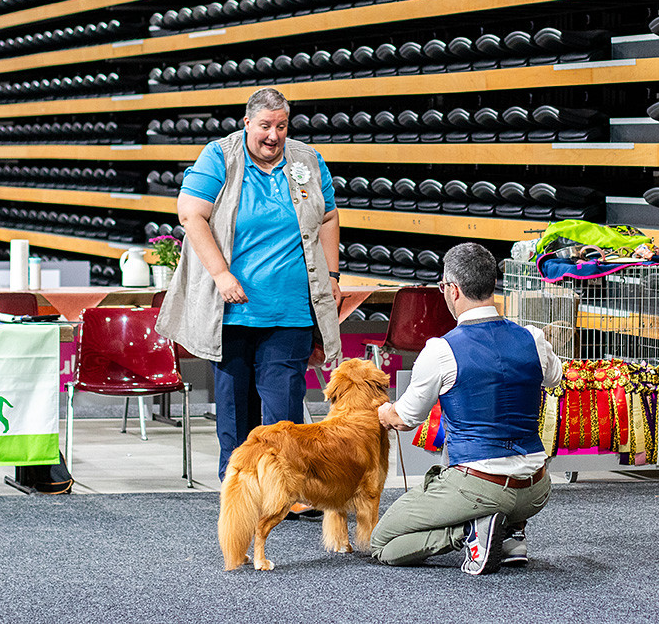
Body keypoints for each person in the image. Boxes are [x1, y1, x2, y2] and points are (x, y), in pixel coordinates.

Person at [155, 87, 342, 502]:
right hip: (232, 311)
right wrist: (221, 274)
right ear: (247, 123)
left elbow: (328, 216)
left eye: (282, 126)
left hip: (291, 310)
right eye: (265, 126)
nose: (273, 135)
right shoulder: (219, 156)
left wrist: (332, 274)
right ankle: (239, 488)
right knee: (236, 411)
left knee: (284, 411)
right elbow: (191, 214)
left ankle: (287, 490)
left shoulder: (308, 160)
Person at [371, 242, 563, 575]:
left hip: (479, 487)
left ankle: (472, 531)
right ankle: (511, 534)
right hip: (536, 489)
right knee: (498, 496)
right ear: (493, 284)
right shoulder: (532, 338)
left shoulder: (441, 350)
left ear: (453, 289)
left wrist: (383, 411)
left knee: (382, 543)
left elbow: (405, 419)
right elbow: (555, 377)